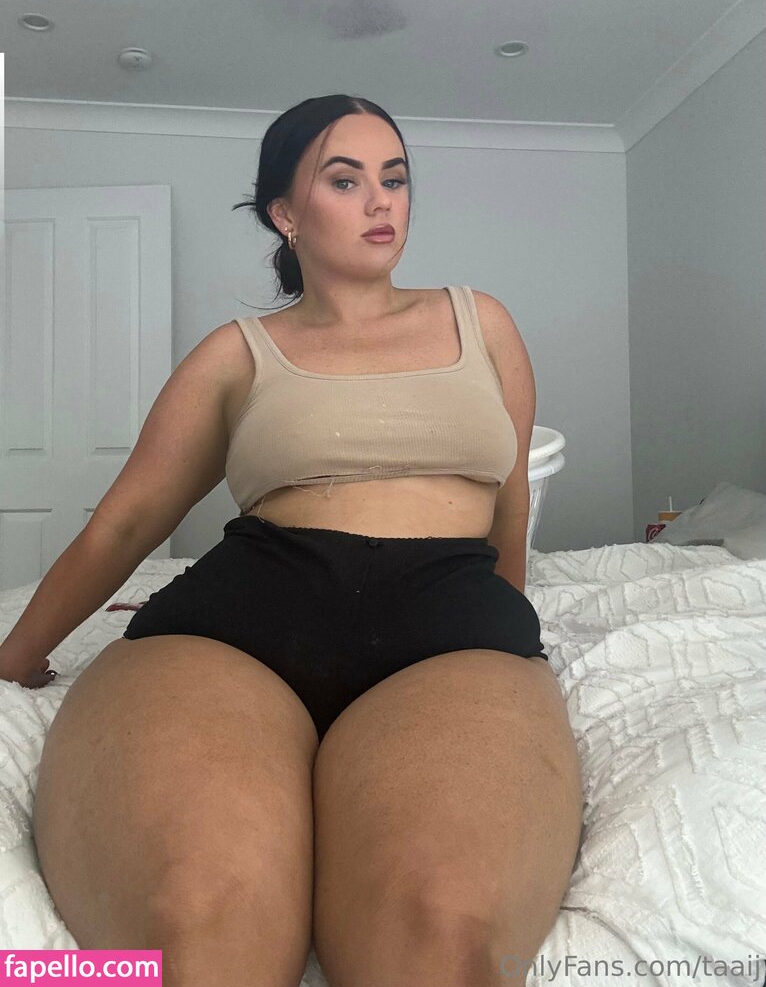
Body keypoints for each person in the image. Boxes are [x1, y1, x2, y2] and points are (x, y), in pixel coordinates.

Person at [2, 94, 583, 987]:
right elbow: (125, 521)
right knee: (200, 916)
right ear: (285, 213)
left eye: (394, 178)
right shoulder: (237, 353)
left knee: (439, 930)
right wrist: (18, 656)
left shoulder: (483, 324)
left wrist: (506, 627)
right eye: (345, 181)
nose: (381, 201)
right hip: (236, 630)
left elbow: (508, 504)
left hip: (449, 634)